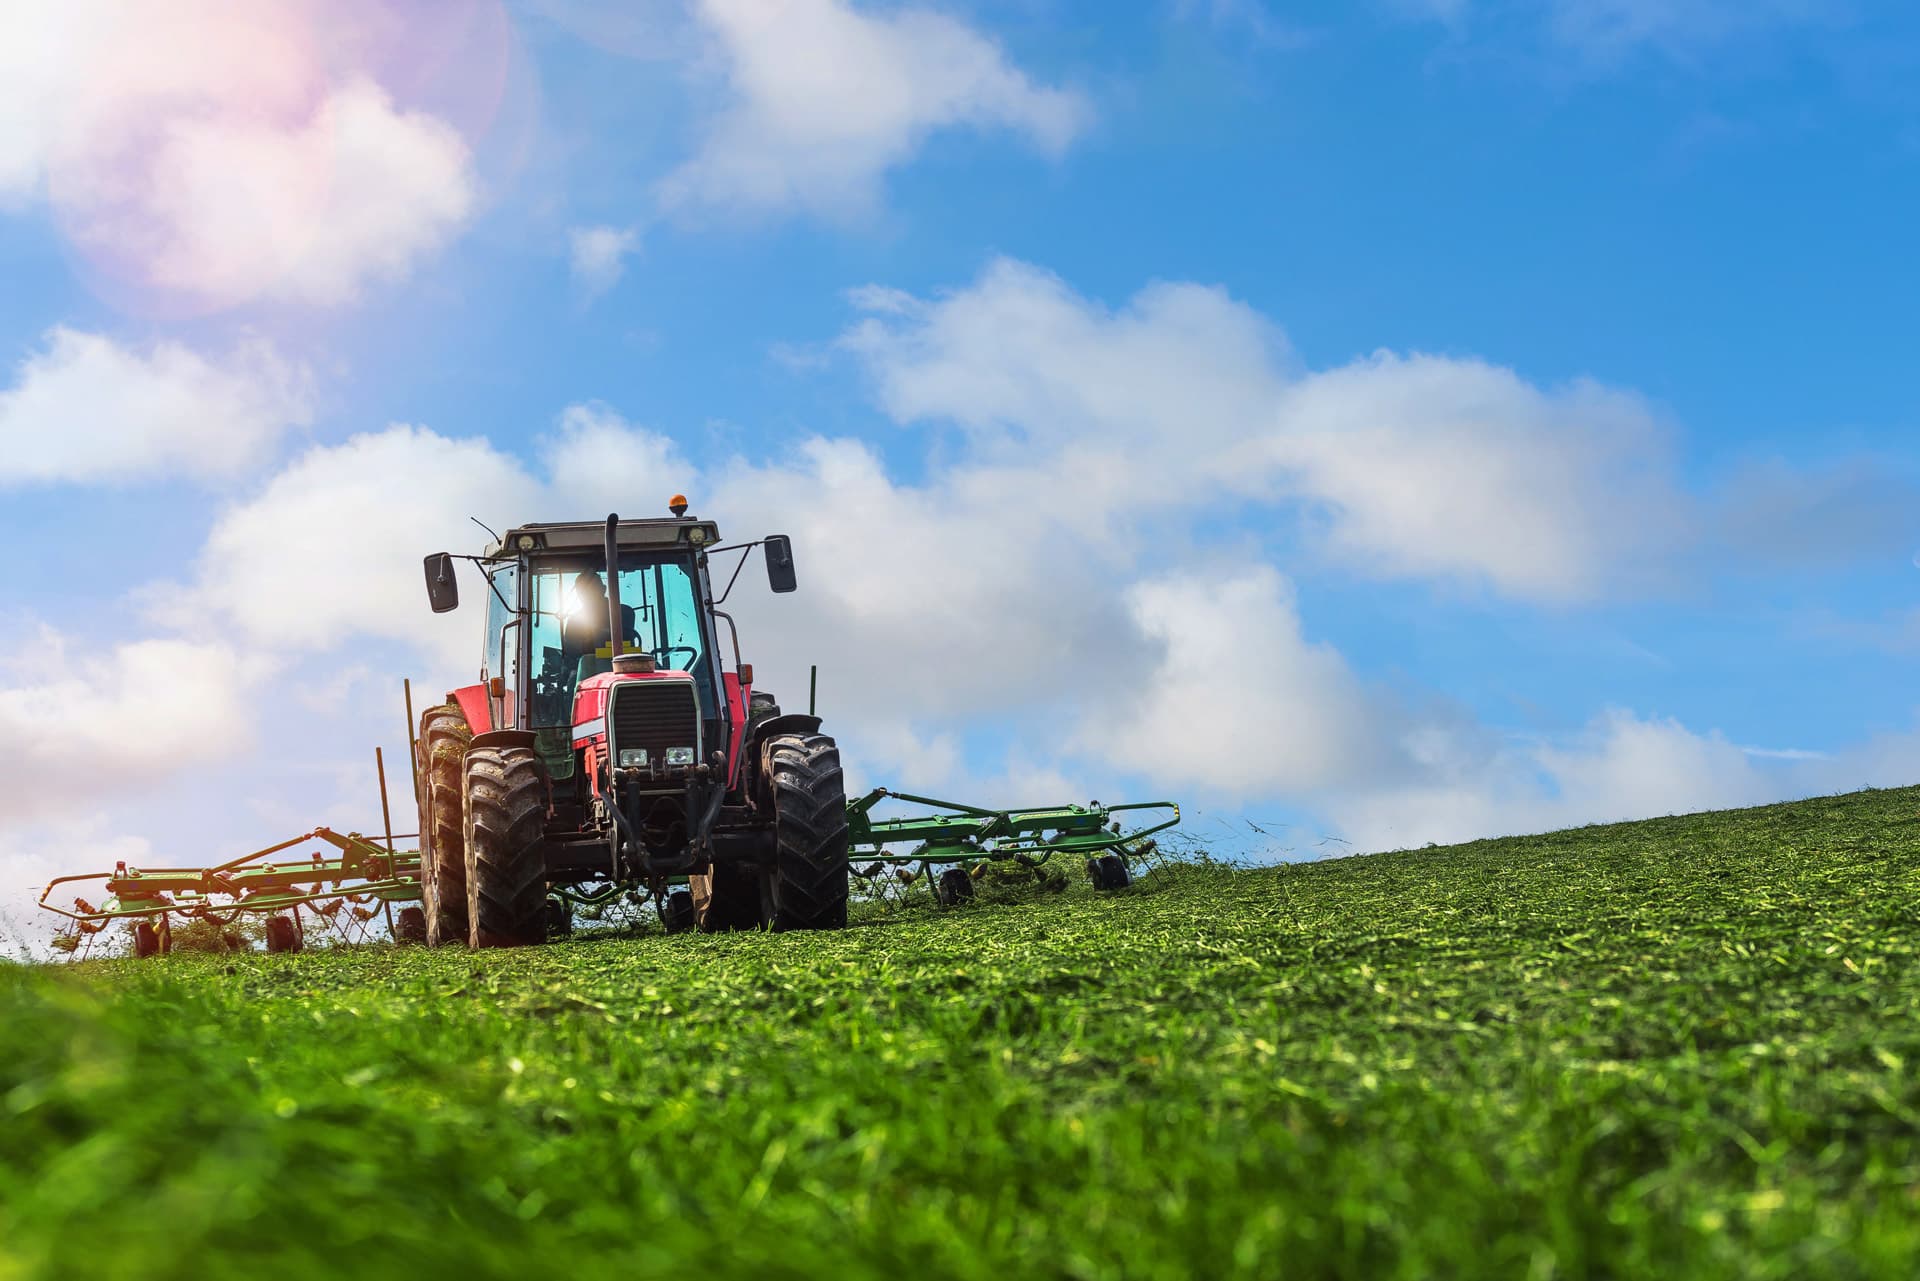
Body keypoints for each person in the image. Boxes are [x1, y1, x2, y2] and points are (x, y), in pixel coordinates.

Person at [562, 571, 638, 655]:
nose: (588, 595)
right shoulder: (574, 621)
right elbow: (570, 655)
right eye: (583, 592)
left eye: (592, 590)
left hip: (624, 665)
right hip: (588, 667)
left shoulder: (624, 612)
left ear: (603, 589)